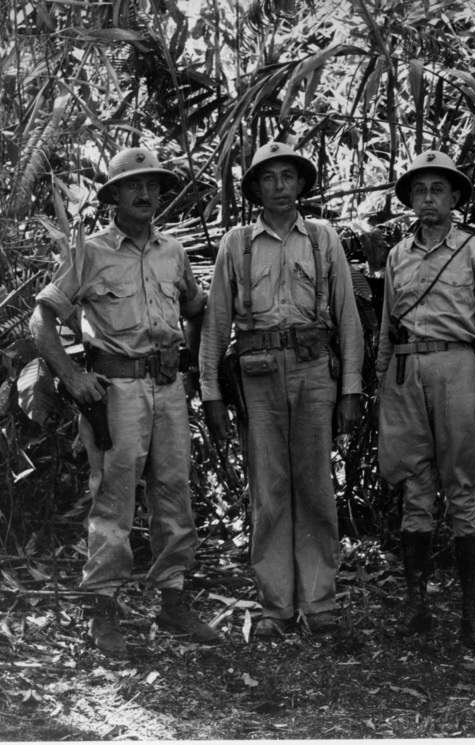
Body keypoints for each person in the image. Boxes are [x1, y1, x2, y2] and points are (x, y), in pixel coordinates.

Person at [30, 146, 220, 659]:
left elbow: (195, 308)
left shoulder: (172, 251)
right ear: (113, 195)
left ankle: (173, 602)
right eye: (134, 185)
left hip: (167, 389)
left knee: (174, 492)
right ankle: (102, 608)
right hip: (116, 392)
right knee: (114, 500)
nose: (145, 193)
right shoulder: (90, 252)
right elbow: (41, 319)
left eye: (153, 185)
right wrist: (73, 376)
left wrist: (188, 365)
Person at [199, 141, 363, 638]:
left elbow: (347, 317)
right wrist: (211, 394)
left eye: (288, 176)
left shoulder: (323, 238)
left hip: (314, 372)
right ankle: (276, 607)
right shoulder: (237, 244)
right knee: (268, 489)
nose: (279, 187)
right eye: (269, 178)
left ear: (301, 184)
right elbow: (216, 323)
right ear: (255, 189)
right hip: (257, 375)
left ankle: (318, 602)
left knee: (315, 485)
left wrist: (351, 389)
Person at [375, 150, 475, 650]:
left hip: (457, 368)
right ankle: (417, 607)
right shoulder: (397, 255)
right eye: (420, 190)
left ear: (454, 198)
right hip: (406, 372)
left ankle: (472, 615)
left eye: (438, 190)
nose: (428, 199)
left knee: (463, 487)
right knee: (415, 487)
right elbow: (387, 328)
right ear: (410, 199)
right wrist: (383, 383)